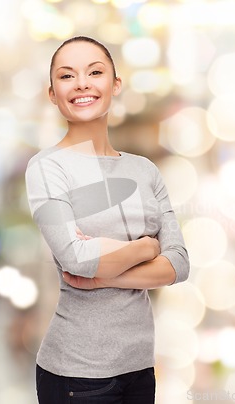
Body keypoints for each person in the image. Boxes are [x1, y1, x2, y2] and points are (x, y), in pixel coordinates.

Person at [25, 36, 190, 404]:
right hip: (76, 373)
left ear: (115, 84)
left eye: (95, 72)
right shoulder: (47, 168)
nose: (82, 83)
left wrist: (101, 276)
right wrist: (147, 248)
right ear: (53, 93)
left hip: (139, 366)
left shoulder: (144, 170)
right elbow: (76, 258)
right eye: (67, 76)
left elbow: (179, 263)